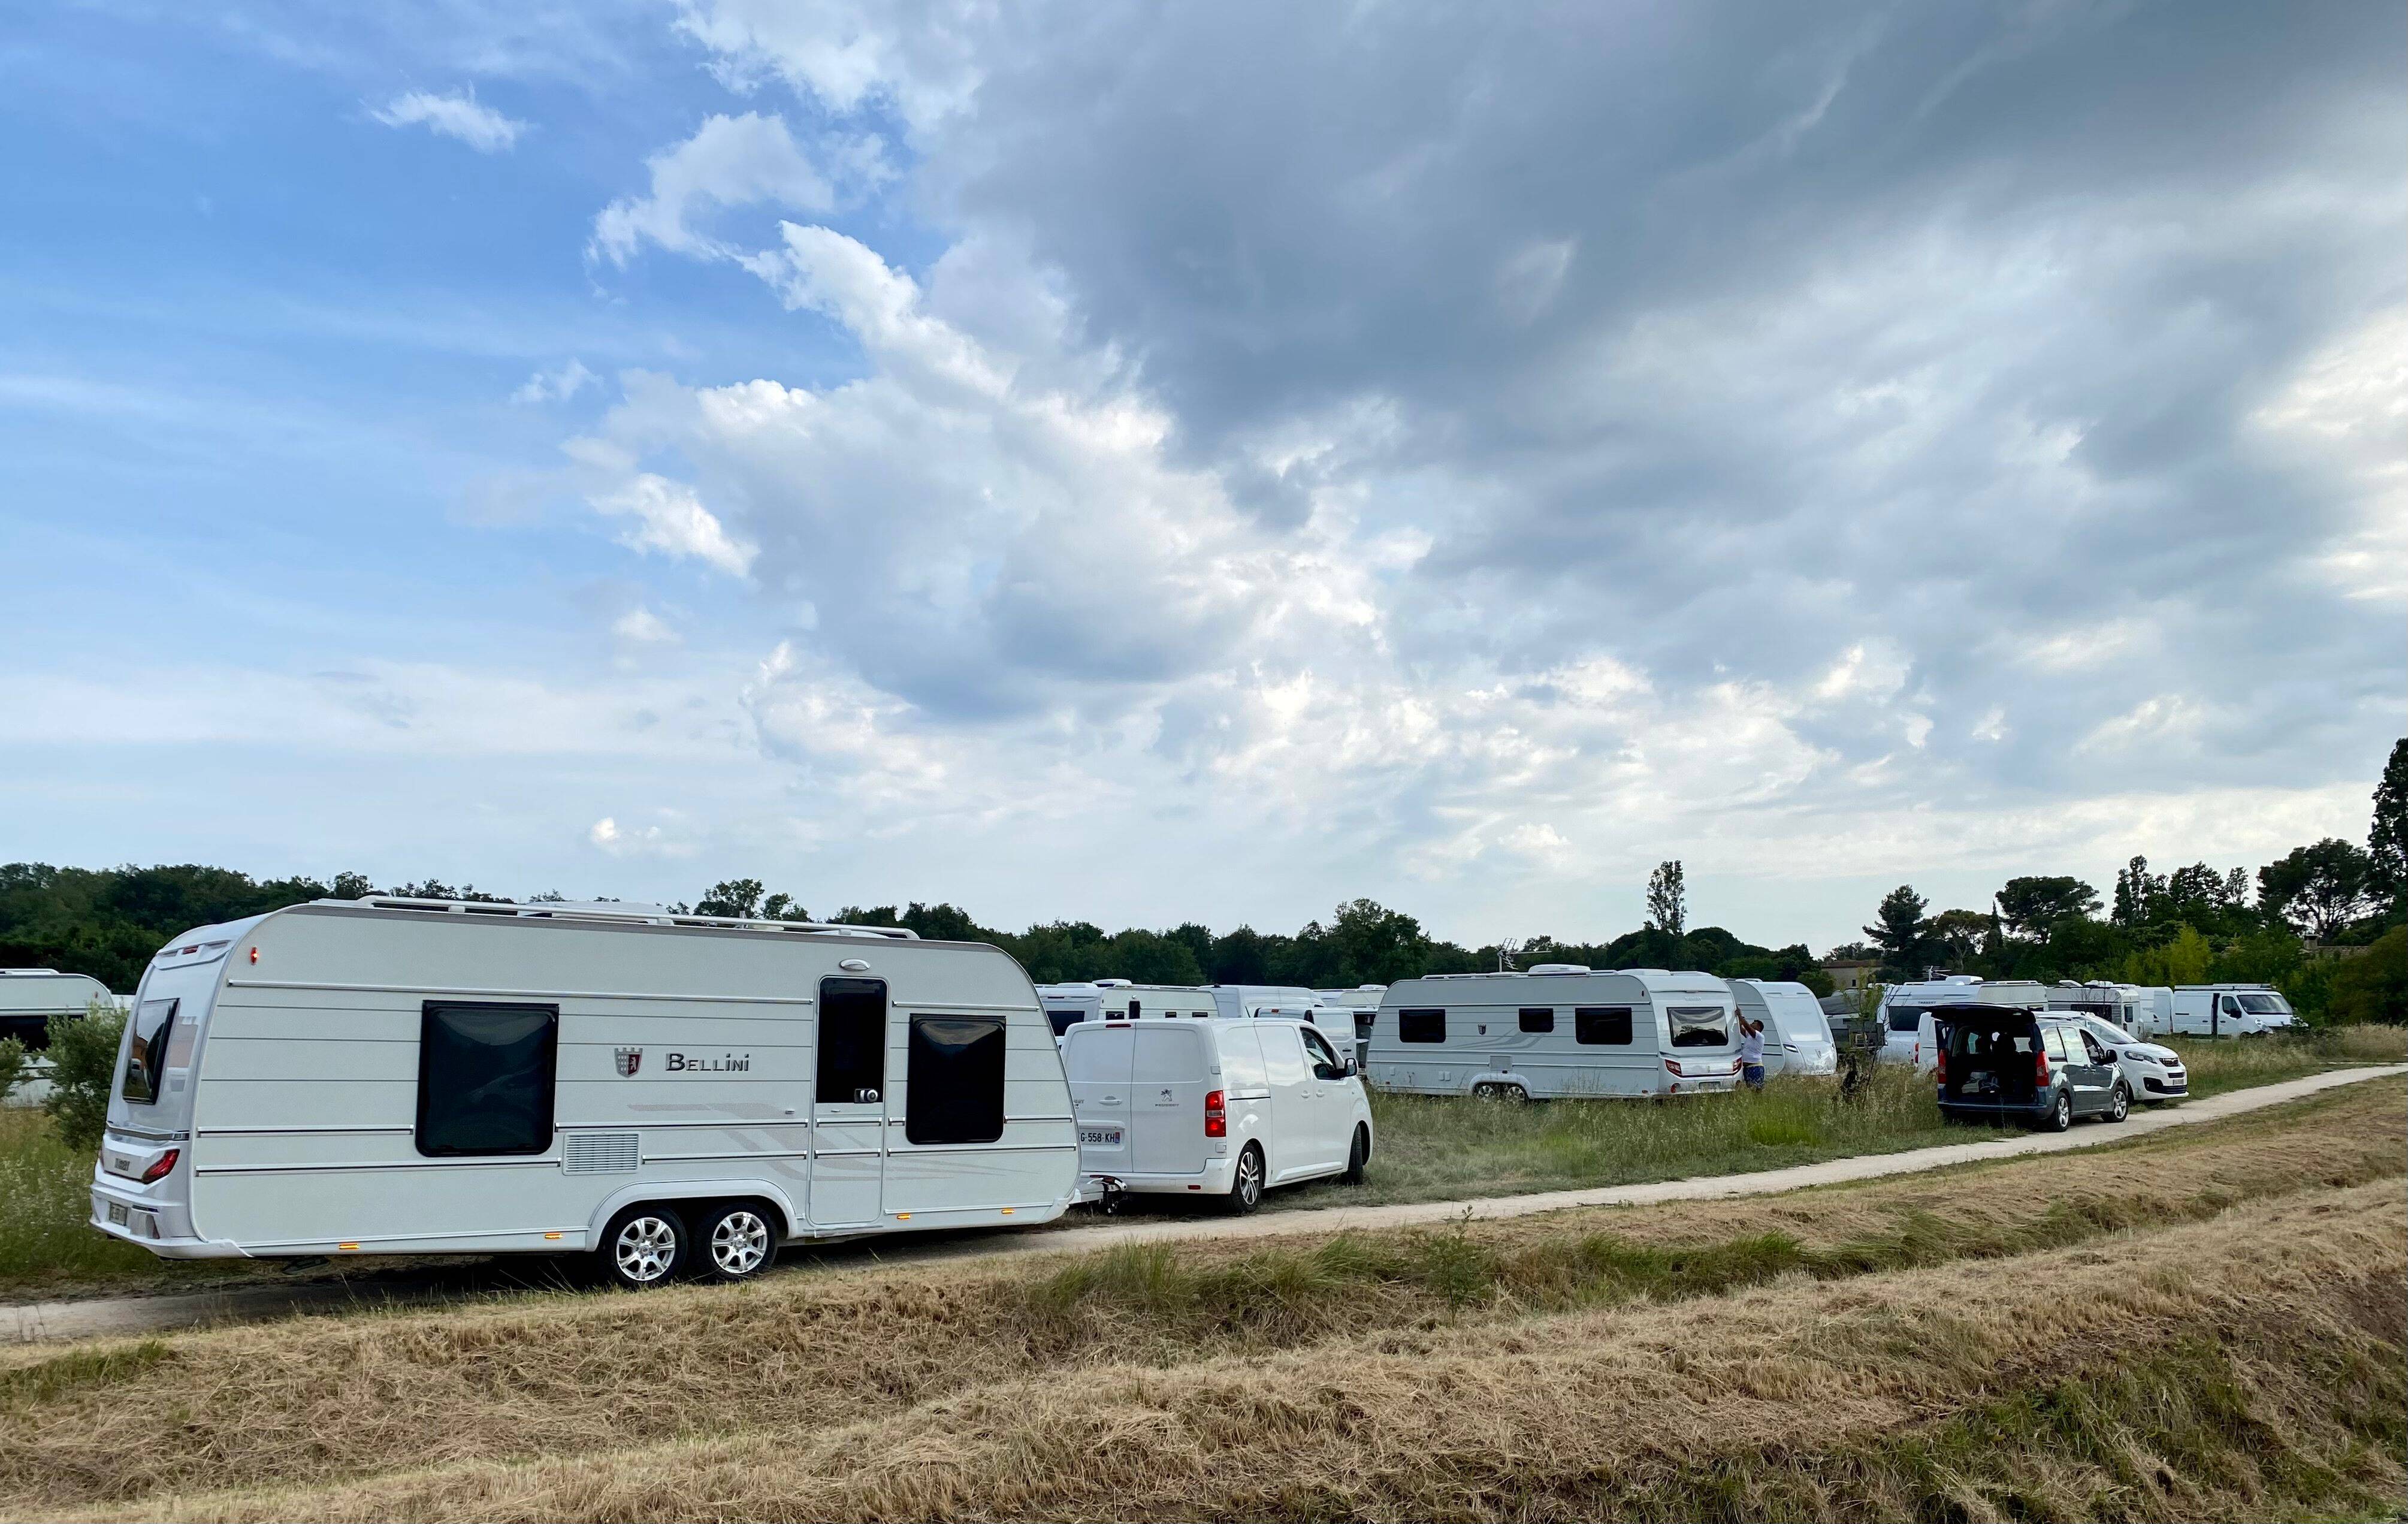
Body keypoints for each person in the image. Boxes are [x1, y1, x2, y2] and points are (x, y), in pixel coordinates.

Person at [1738, 1013, 1767, 1090]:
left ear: (1758, 1027)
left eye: (1754, 1024)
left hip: (1755, 1066)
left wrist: (1741, 1017)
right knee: (1750, 1088)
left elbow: (1747, 1027)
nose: (1751, 1024)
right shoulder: (1750, 1036)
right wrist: (1740, 1022)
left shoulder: (1759, 1036)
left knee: (1757, 1089)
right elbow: (1742, 1030)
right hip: (1748, 1067)